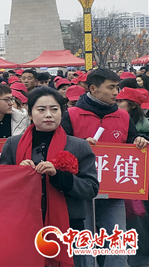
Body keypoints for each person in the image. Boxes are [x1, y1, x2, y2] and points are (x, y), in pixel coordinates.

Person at [0, 87, 98, 267]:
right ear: (30, 114)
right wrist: (17, 174)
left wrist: (59, 176)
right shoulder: (13, 144)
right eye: (41, 109)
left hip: (68, 224)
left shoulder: (78, 146)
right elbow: (0, 187)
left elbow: (90, 188)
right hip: (23, 223)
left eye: (54, 109)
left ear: (62, 112)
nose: (48, 115)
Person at [61, 68, 148, 267]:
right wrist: (80, 145)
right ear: (93, 89)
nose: (116, 92)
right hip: (82, 190)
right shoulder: (71, 115)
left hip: (114, 191)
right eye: (111, 87)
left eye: (117, 87)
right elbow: (60, 147)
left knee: (118, 241)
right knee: (84, 244)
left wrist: (139, 140)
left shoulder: (123, 116)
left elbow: (132, 140)